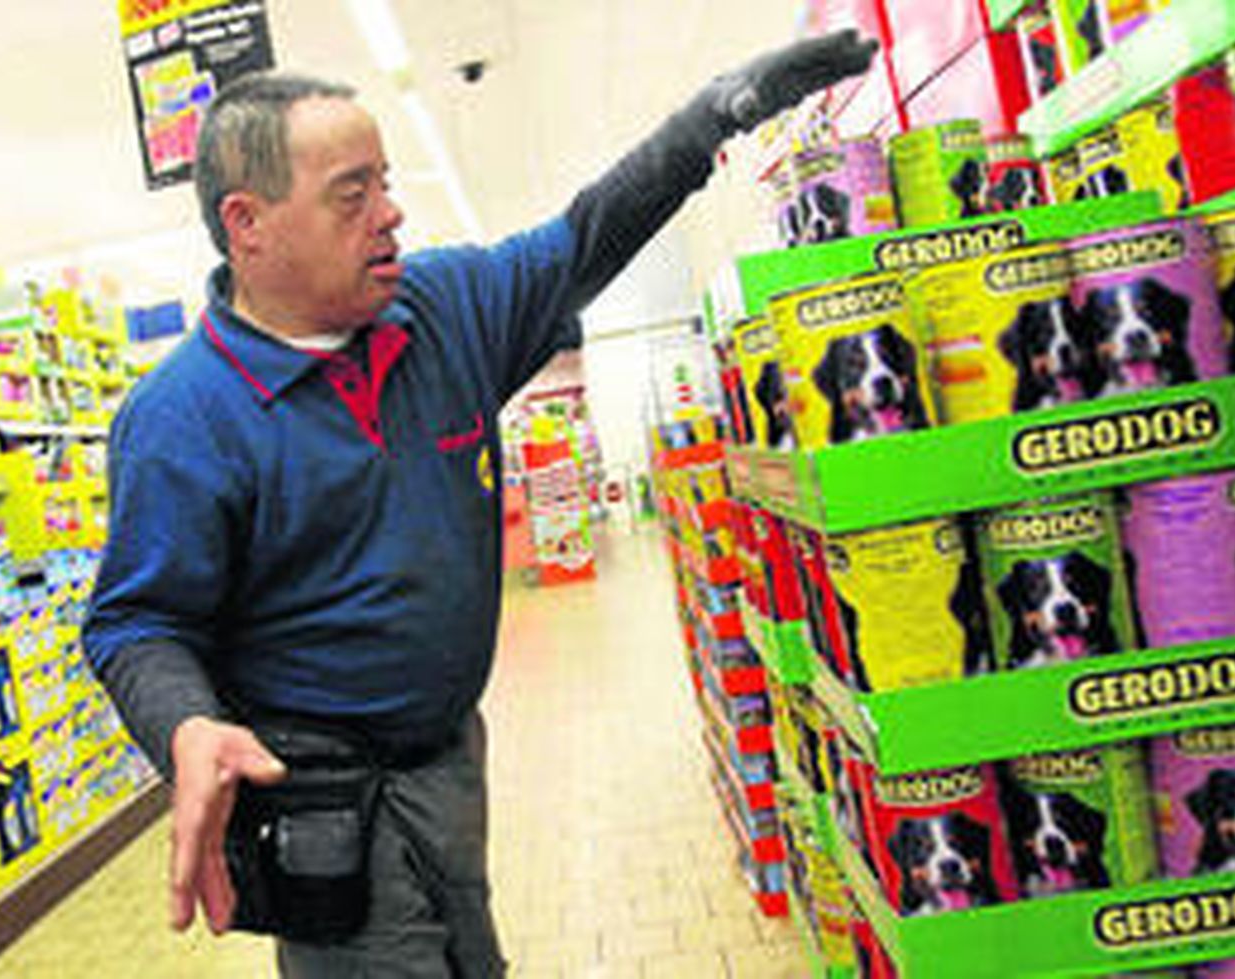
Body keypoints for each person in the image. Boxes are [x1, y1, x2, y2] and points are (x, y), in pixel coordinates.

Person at [85, 29, 875, 977]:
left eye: (384, 180)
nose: (391, 212)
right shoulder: (181, 417)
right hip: (323, 800)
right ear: (248, 224)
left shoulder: (441, 307)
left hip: (451, 760)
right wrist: (185, 723)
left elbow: (586, 235)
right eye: (354, 194)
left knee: (472, 963)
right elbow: (135, 620)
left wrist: (710, 117)